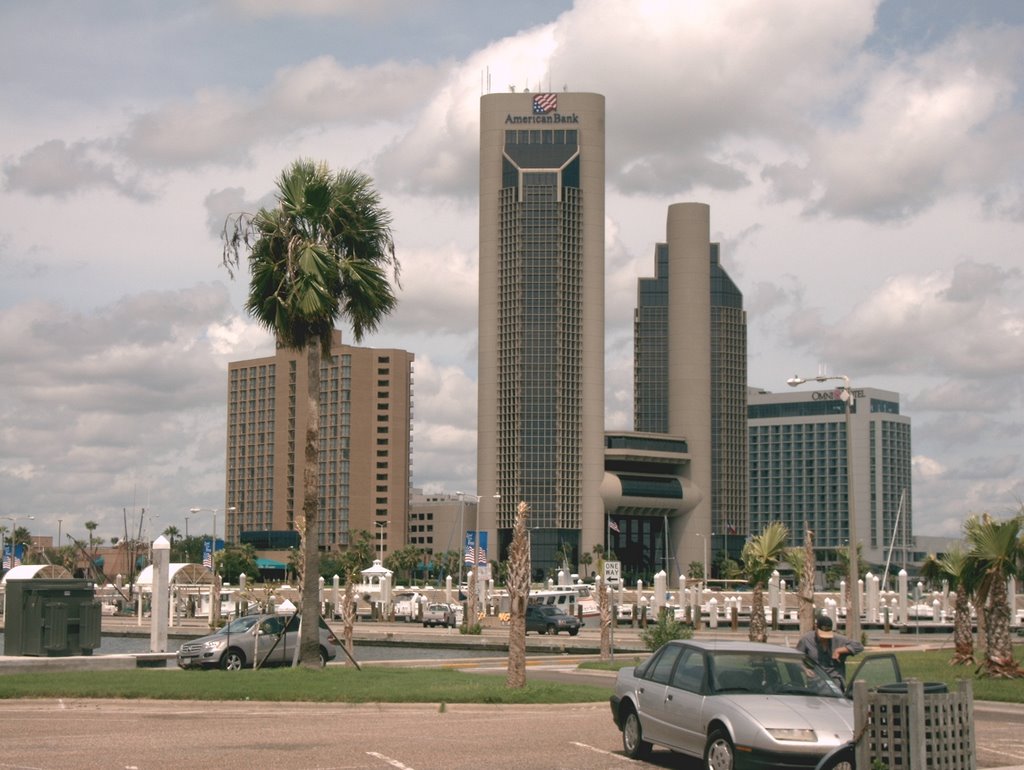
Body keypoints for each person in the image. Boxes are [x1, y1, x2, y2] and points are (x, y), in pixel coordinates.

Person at [796, 614, 863, 688]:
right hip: (815, 681)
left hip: (835, 680)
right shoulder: (806, 639)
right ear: (816, 627)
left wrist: (839, 650)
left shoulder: (838, 639)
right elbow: (796, 658)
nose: (824, 638)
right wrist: (805, 669)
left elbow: (859, 646)